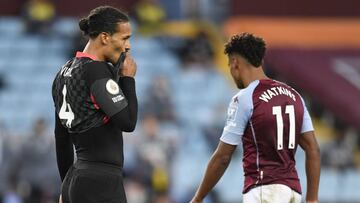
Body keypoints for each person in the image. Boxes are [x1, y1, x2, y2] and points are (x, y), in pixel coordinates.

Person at [191, 33, 320, 203]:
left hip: (264, 190)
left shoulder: (245, 98)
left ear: (235, 63)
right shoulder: (294, 96)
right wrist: (312, 199)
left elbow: (222, 157)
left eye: (230, 65)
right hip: (293, 192)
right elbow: (313, 149)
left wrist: (198, 198)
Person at [52, 6, 137, 203]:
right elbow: (128, 122)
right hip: (101, 183)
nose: (128, 46)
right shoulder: (96, 71)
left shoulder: (62, 73)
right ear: (105, 37)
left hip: (77, 179)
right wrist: (128, 80)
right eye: (124, 38)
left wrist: (66, 184)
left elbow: (61, 137)